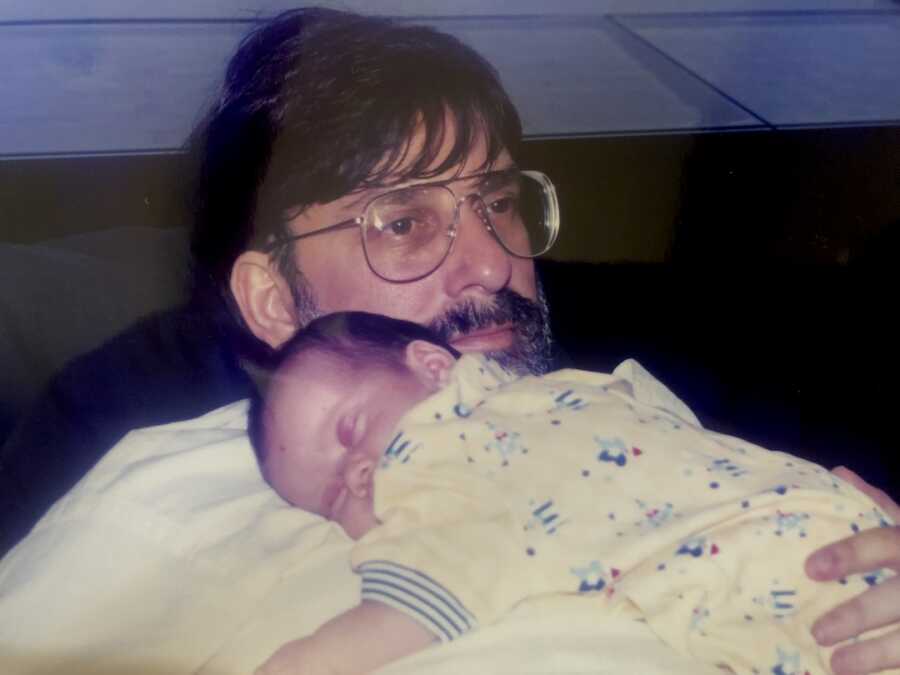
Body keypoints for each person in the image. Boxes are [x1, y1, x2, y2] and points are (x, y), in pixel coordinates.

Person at [1, 8, 899, 675]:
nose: (492, 264)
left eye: (498, 202)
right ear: (271, 296)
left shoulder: (655, 368)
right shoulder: (133, 447)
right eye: (402, 222)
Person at [248, 311, 894, 675]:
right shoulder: (574, 397)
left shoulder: (448, 449)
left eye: (353, 430)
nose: (358, 472)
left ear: (435, 366)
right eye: (334, 498)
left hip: (811, 591)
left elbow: (424, 593)